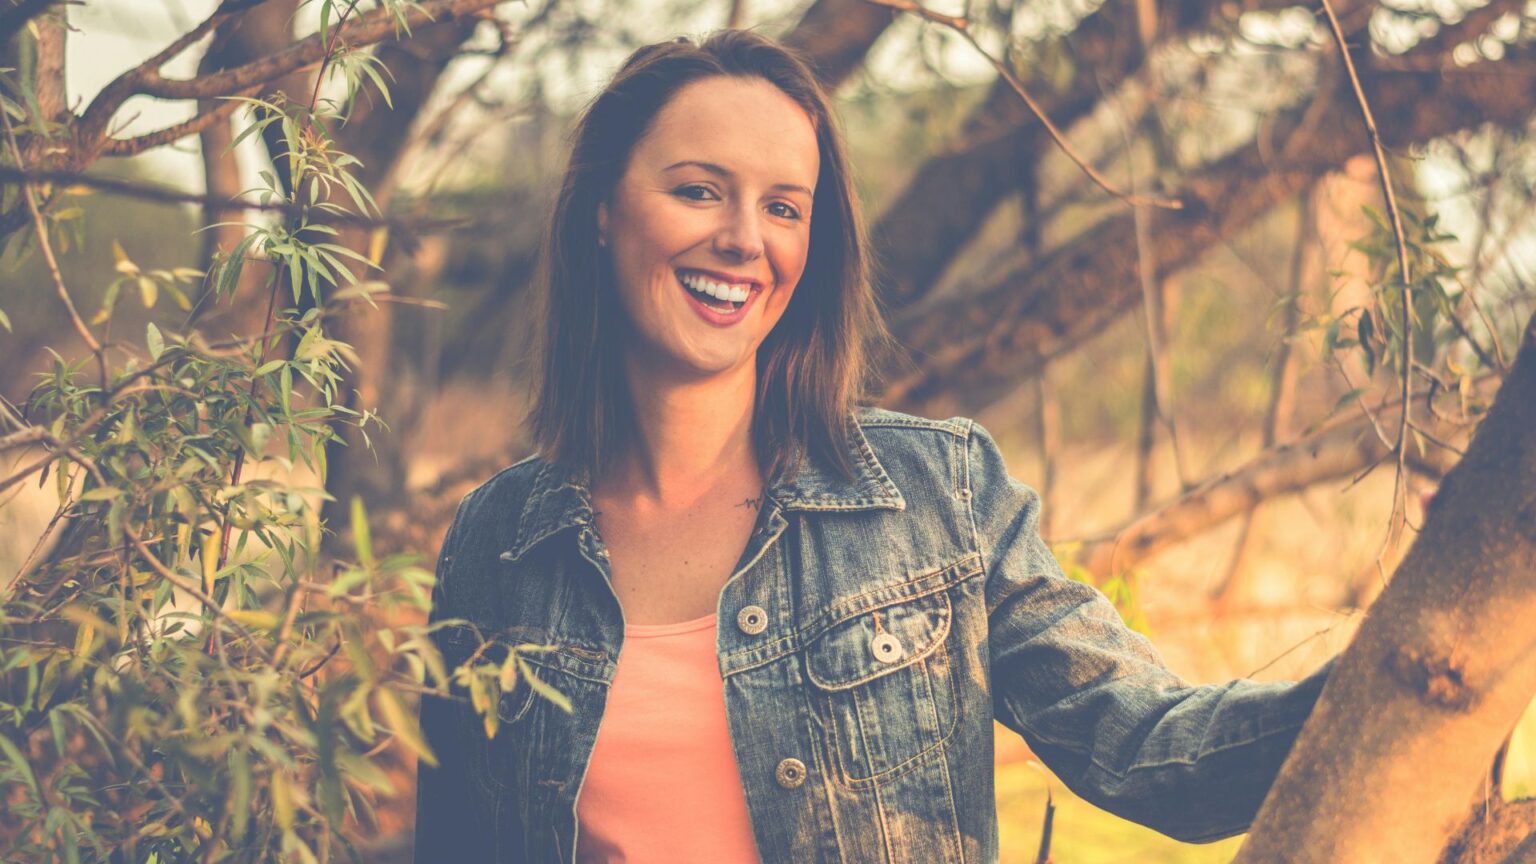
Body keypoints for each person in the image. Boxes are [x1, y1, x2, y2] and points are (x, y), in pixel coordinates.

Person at [413, 29, 1332, 864]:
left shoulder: (939, 496)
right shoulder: (496, 546)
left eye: (783, 208)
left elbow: (1150, 750)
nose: (742, 239)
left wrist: (1392, 684)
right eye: (698, 190)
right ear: (603, 210)